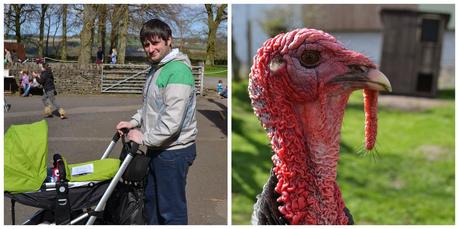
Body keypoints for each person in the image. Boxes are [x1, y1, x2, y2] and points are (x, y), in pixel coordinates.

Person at [116, 18, 197, 225]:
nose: (150, 49)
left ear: (169, 40)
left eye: (155, 43)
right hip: (157, 148)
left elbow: (172, 122)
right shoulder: (158, 68)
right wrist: (133, 122)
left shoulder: (177, 71)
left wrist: (143, 137)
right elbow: (150, 107)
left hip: (173, 152)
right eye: (146, 44)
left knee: (170, 210)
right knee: (151, 204)